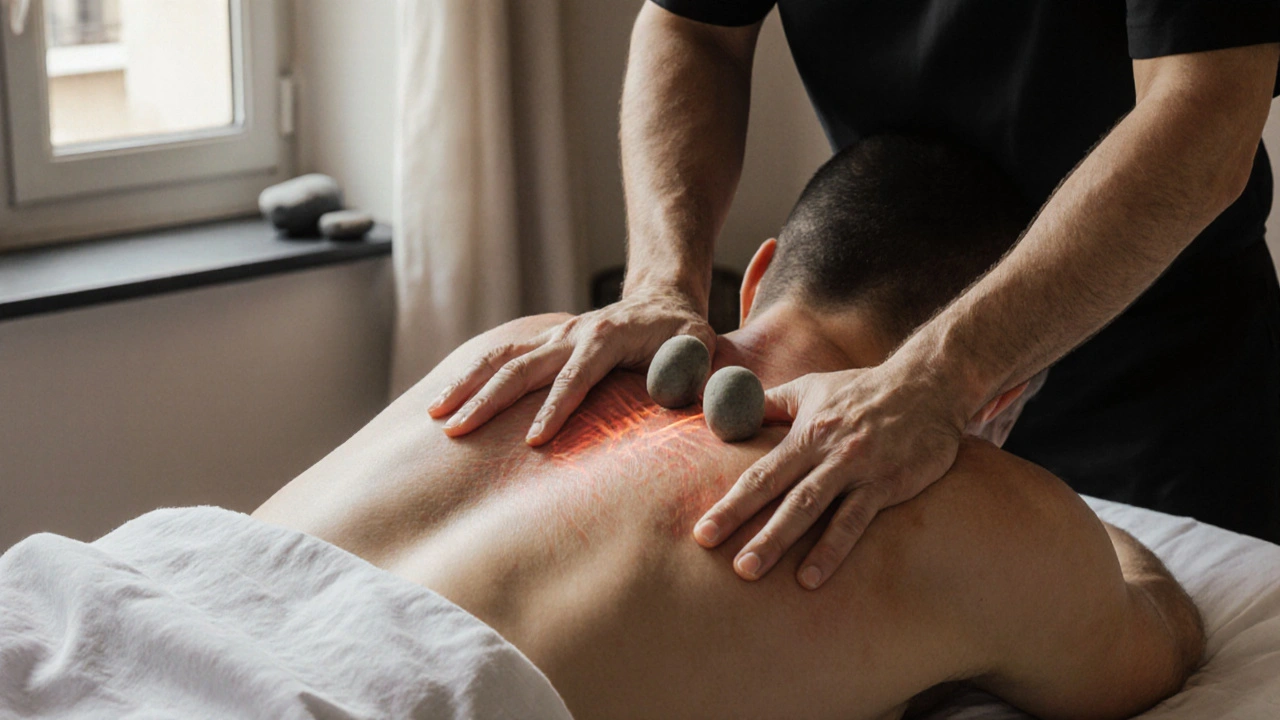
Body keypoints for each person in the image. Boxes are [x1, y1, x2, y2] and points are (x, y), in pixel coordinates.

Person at [255, 137, 1204, 720]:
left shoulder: (539, 347)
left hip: (134, 609)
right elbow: (1153, 643)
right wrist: (1095, 527)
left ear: (757, 277)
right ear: (1003, 400)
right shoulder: (971, 510)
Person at [430, 1, 1280, 589]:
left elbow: (1205, 114)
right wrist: (662, 282)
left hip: (1157, 389)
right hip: (886, 336)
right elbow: (693, 29)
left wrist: (945, 377)